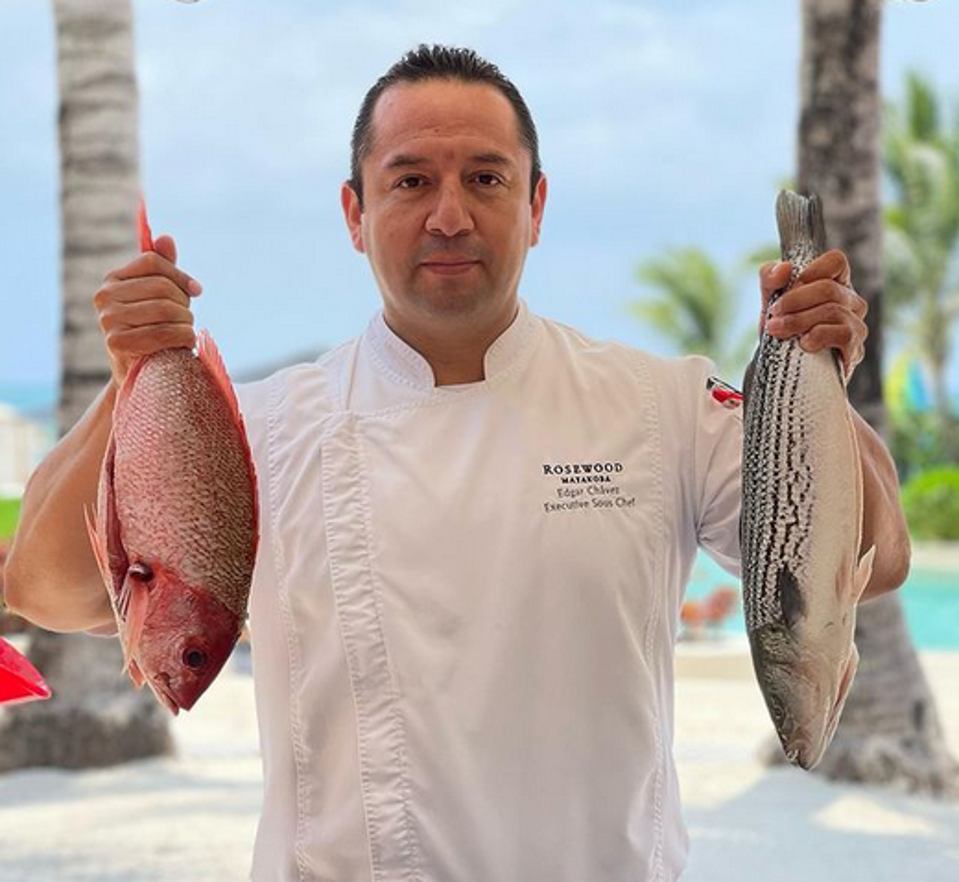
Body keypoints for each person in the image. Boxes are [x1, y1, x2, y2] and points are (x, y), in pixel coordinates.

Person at [4, 45, 910, 882]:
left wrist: (819, 364)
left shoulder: (662, 403)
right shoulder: (263, 426)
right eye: (409, 181)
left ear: (535, 206)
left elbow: (873, 561)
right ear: (354, 214)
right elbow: (50, 591)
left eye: (485, 178)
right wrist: (130, 376)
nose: (449, 215)